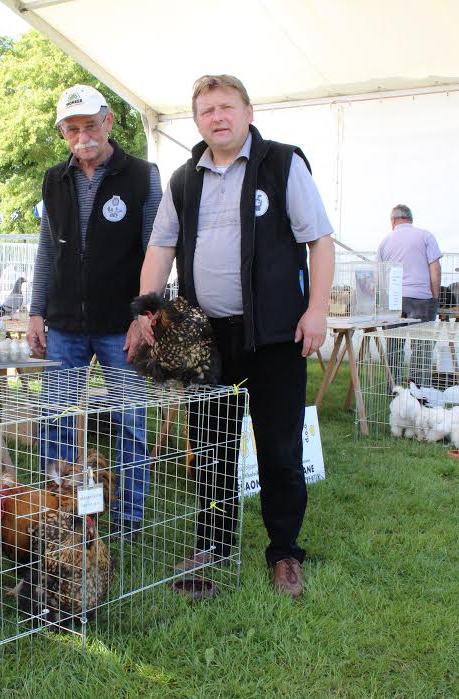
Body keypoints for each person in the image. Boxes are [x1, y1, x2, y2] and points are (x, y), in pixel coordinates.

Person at [132, 74, 335, 599]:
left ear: (248, 111)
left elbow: (320, 242)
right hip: (205, 344)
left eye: (226, 107)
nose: (217, 117)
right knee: (213, 447)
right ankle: (216, 542)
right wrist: (144, 313)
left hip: (274, 336)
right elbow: (160, 250)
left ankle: (285, 552)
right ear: (197, 121)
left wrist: (316, 310)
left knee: (280, 447)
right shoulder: (182, 180)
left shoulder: (283, 164)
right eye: (206, 111)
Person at [29, 85, 162, 538]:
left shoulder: (143, 175)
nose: (82, 137)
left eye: (89, 126)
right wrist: (35, 311)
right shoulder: (53, 179)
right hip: (64, 323)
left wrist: (145, 316)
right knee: (55, 419)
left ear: (108, 122)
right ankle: (60, 511)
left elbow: (155, 250)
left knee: (131, 421)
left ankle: (127, 518)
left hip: (120, 324)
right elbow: (47, 249)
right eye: (72, 129)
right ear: (63, 133)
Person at [376, 204, 442, 384]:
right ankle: (419, 389)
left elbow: (380, 275)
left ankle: (393, 388)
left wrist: (384, 301)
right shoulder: (425, 235)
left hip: (394, 300)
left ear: (393, 220)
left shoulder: (385, 241)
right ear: (410, 219)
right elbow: (435, 268)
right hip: (421, 298)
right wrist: (435, 298)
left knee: (394, 347)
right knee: (421, 347)